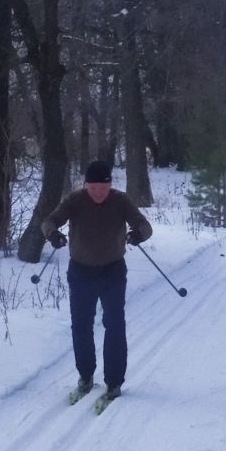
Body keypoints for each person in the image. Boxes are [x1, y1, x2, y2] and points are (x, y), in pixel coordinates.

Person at [41, 159, 153, 404]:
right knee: (81, 325)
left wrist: (138, 235)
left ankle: (114, 382)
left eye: (103, 188)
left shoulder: (120, 200)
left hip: (113, 271)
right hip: (81, 272)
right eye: (93, 188)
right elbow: (48, 221)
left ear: (110, 185)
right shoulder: (75, 200)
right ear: (86, 186)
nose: (98, 193)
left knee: (114, 324)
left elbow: (145, 225)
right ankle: (85, 375)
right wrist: (53, 234)